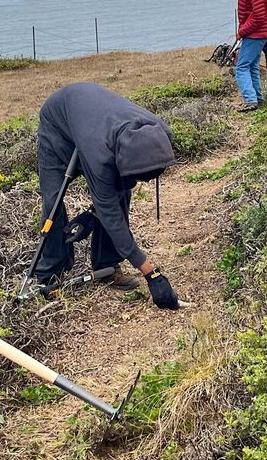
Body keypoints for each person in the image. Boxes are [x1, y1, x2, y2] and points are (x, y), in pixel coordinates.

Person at [34, 82, 180, 310]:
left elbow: (118, 190)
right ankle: (51, 272)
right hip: (57, 125)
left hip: (90, 119)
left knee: (120, 194)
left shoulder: (160, 131)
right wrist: (151, 272)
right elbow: (109, 211)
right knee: (53, 202)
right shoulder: (99, 154)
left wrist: (93, 215)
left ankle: (107, 264)